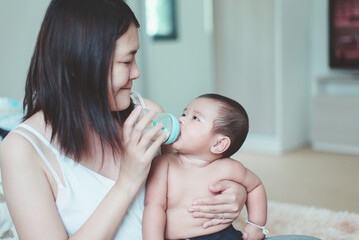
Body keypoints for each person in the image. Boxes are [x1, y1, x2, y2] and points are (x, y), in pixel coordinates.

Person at [0, 0, 247, 239]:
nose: (136, 72)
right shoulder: (22, 150)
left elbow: (192, 174)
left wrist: (233, 192)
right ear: (77, 64)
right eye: (126, 61)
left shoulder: (148, 114)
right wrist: (128, 180)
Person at [143, 93, 268, 240]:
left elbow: (255, 186)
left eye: (195, 118)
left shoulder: (228, 168)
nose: (181, 119)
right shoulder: (164, 165)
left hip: (222, 236)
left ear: (218, 144)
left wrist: (256, 225)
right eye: (184, 113)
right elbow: (153, 207)